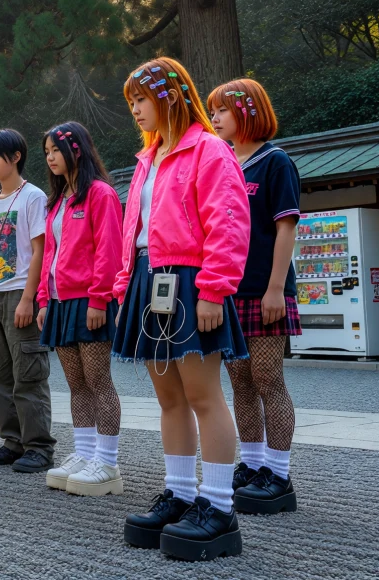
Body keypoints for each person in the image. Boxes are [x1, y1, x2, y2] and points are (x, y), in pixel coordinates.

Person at [113, 58, 250, 561]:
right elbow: (136, 230)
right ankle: (180, 495)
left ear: (169, 95)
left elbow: (230, 221)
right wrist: (125, 283)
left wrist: (214, 288)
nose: (135, 111)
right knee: (169, 396)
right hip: (151, 280)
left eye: (140, 100)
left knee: (202, 394)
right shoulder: (150, 157)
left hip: (192, 279)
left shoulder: (209, 149)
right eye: (131, 103)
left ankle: (218, 508)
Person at [208, 78, 301, 515]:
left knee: (268, 380)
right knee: (240, 383)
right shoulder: (222, 163)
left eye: (222, 110)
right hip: (229, 290)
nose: (215, 118)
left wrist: (276, 289)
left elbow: (286, 227)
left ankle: (280, 476)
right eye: (212, 111)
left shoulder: (275, 162)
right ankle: (253, 464)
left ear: (247, 110)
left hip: (266, 290)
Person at [34, 122, 125, 496]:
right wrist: (43, 298)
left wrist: (100, 298)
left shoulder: (100, 194)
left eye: (55, 150)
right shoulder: (57, 201)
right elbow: (48, 256)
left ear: (76, 150)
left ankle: (107, 462)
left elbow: (109, 249)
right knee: (76, 385)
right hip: (59, 302)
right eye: (47, 152)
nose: (51, 158)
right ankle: (85, 453)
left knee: (98, 380)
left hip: (90, 300)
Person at [0, 129, 55, 473]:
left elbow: (40, 249)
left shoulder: (33, 197)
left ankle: (38, 446)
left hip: (20, 293)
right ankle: (12, 441)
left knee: (28, 372)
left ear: (16, 157)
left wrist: (29, 298)